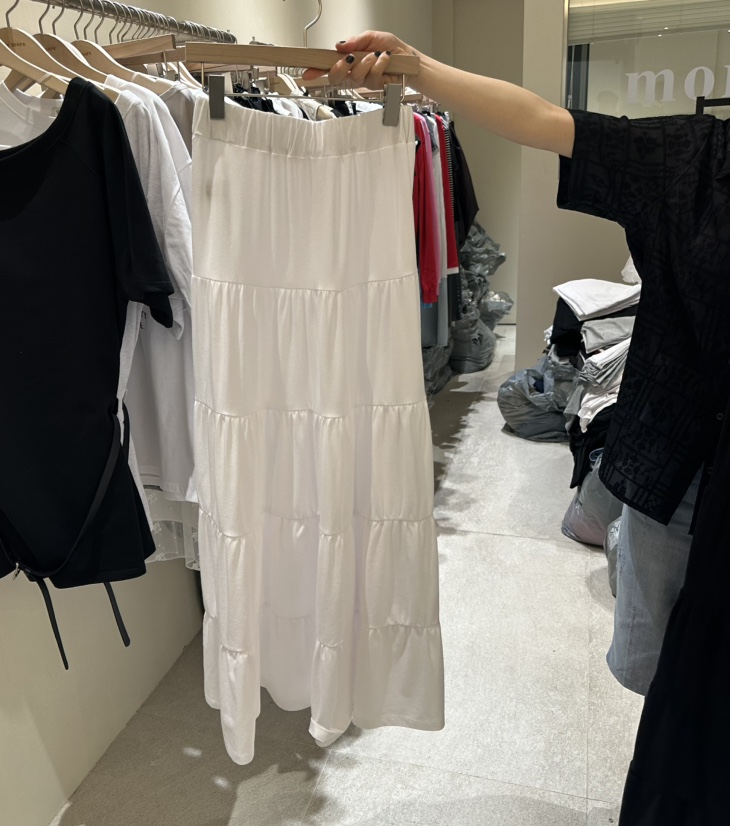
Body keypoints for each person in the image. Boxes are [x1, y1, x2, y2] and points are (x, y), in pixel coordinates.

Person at [307, 32, 730, 826]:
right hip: (677, 460)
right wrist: (420, 69)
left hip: (676, 462)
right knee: (663, 673)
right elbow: (543, 120)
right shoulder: (699, 159)